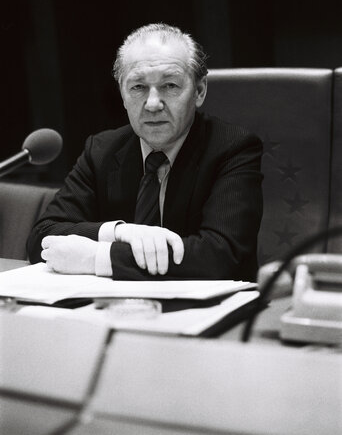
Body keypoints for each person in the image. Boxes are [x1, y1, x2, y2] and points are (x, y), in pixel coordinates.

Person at [27, 23, 263, 281]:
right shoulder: (101, 150)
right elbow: (42, 237)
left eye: (170, 85)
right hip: (116, 309)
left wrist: (98, 257)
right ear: (122, 94)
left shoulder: (232, 148)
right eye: (138, 87)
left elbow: (221, 256)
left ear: (199, 91)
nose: (152, 104)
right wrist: (117, 233)